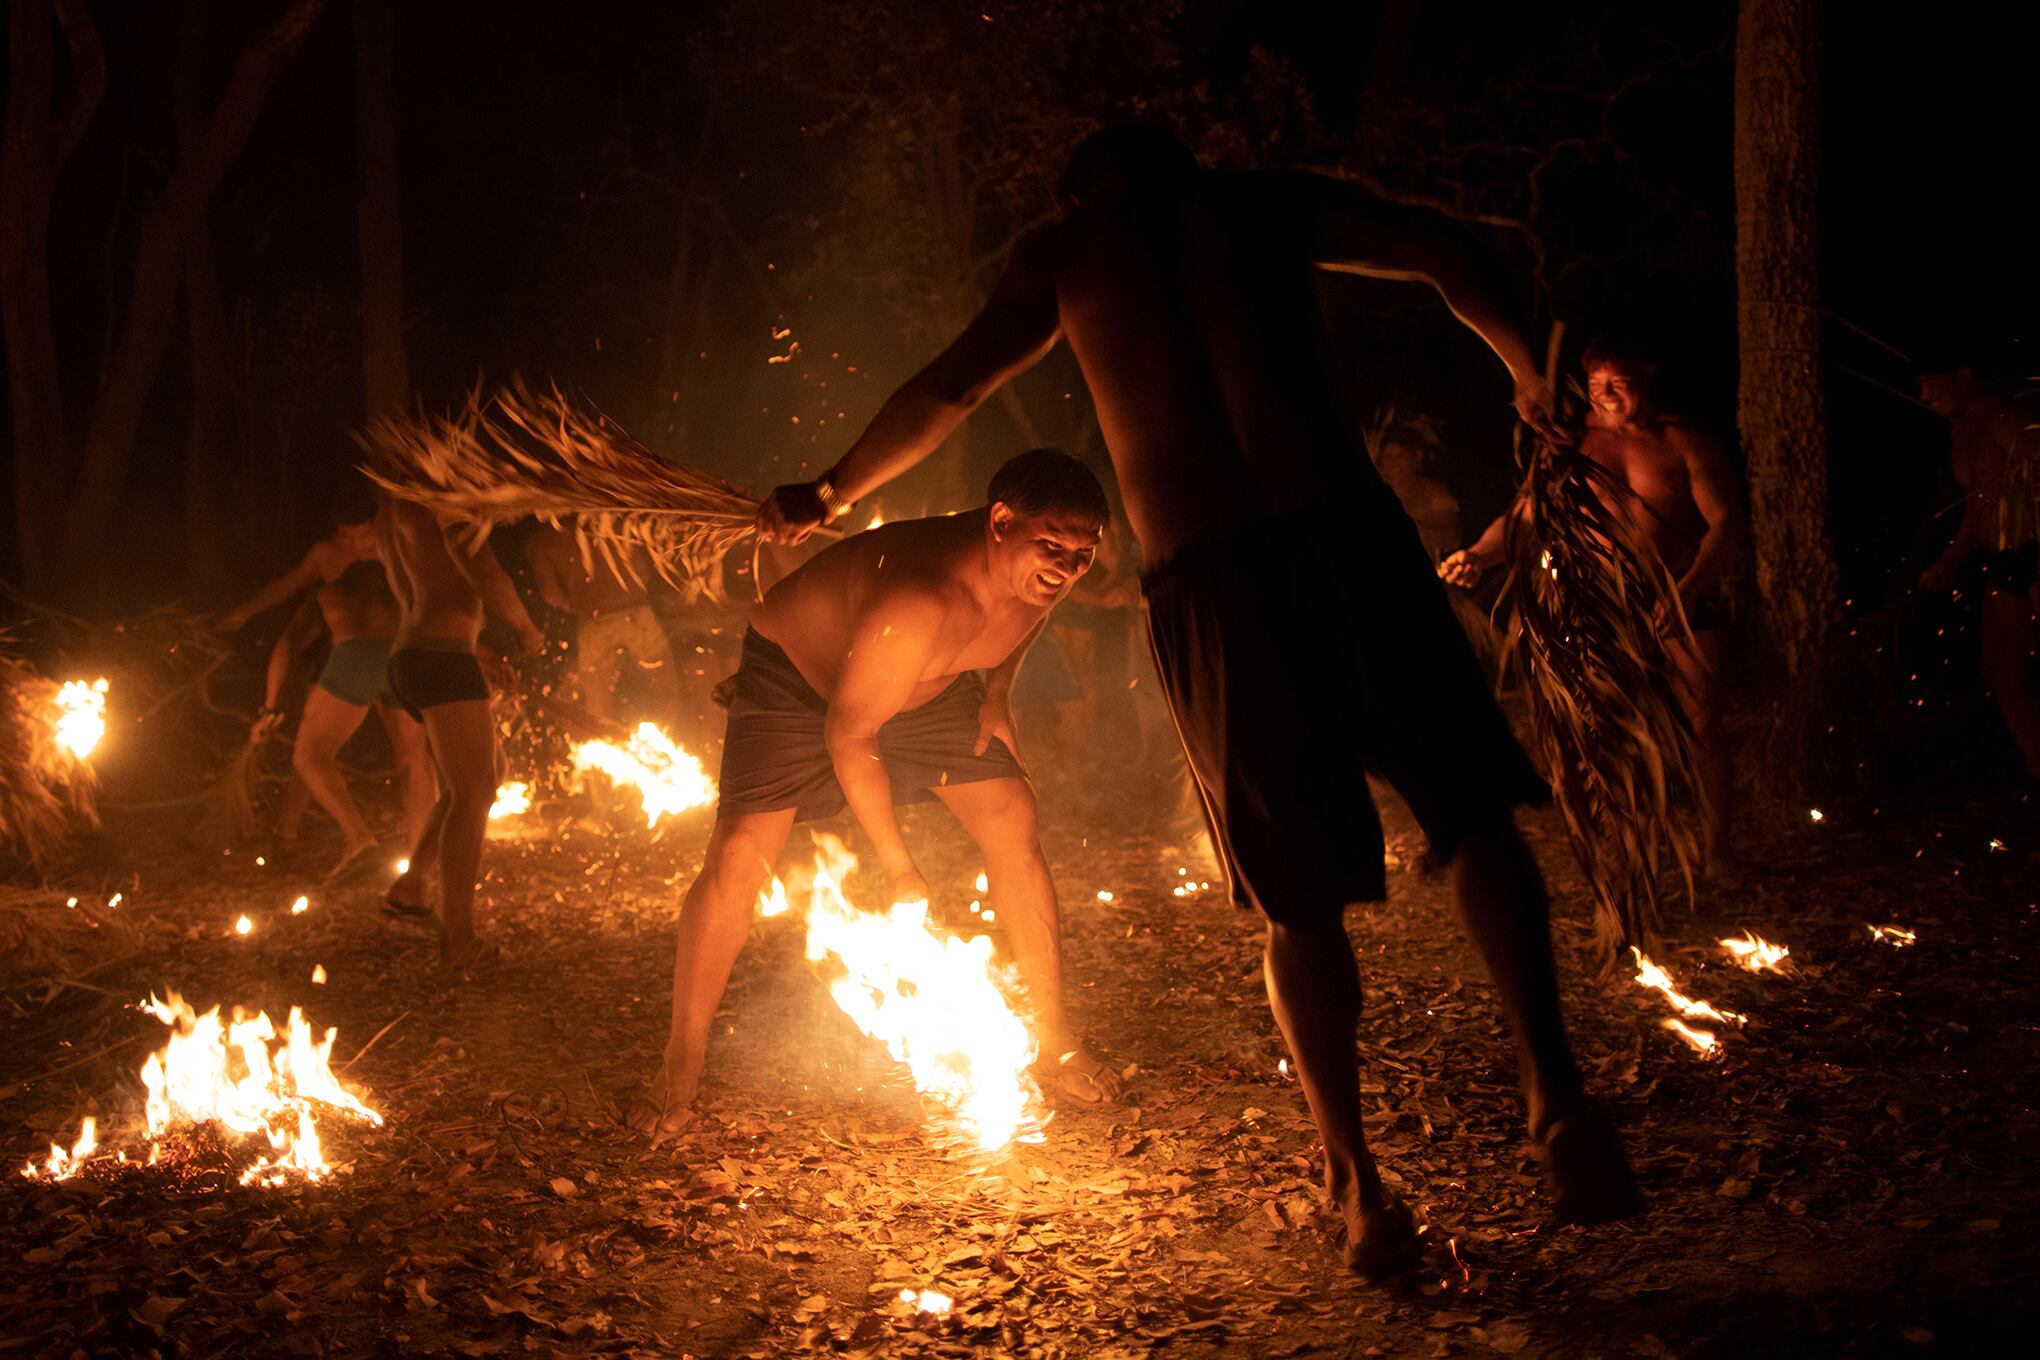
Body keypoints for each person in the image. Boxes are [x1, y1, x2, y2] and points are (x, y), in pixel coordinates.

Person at [756, 126, 1641, 1272]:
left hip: (1214, 576)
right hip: (1345, 537)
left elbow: (951, 385)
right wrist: (1530, 373)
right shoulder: (1265, 204)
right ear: (1183, 166)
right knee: (1473, 816)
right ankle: (1555, 1092)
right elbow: (1445, 251)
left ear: (1079, 188)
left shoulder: (1070, 253)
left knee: (1296, 905)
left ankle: (1357, 1185)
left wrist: (829, 489)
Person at [631, 450, 1123, 1141]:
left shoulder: (1043, 572)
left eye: (1082, 553)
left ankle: (1056, 1042)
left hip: (926, 685)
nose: (1068, 568)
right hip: (803, 685)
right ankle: (679, 1066)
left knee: (1013, 814)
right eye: (1053, 548)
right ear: (1001, 522)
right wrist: (898, 866)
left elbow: (1025, 623)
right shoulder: (919, 601)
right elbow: (850, 736)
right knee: (741, 856)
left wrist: (998, 697)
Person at [1440, 333, 1745, 862]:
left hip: (1678, 596)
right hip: (1597, 606)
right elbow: (1523, 518)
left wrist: (1686, 591)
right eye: (1595, 382)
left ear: (1646, 376)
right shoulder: (1569, 446)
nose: (1604, 393)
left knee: (1703, 721)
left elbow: (1725, 522)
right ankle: (1625, 846)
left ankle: (1717, 850)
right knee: (1605, 725)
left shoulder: (1683, 440)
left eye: (1617, 380)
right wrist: (1480, 555)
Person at [221, 495, 435, 880]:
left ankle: (360, 839)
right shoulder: (333, 558)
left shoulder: (335, 589)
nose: (355, 543)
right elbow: (288, 584)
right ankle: (423, 860)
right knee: (413, 759)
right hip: (403, 655)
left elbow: (286, 645)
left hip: (360, 656)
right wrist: (246, 611)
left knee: (311, 756)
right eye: (347, 534)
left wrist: (269, 710)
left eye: (364, 533)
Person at [376, 497, 545, 977]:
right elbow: (484, 571)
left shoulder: (394, 508)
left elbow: (433, 589)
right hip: (440, 658)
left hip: (417, 654)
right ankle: (458, 940)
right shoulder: (442, 500)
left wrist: (480, 656)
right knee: (473, 791)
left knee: (487, 777)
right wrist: (524, 625)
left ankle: (411, 887)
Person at [1915, 356, 2040, 781]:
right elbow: (1979, 501)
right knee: (2002, 672)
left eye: (1931, 384)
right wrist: (1952, 557)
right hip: (2004, 559)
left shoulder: (2007, 417)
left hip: (2036, 552)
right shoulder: (1960, 428)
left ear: (1964, 376)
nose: (1923, 397)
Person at [526, 523, 682, 729]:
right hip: (635, 612)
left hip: (593, 620)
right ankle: (660, 745)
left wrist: (576, 604)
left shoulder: (545, 540)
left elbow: (549, 594)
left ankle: (621, 750)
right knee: (667, 693)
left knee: (598, 710)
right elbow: (644, 571)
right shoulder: (612, 522)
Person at [1371, 416, 1462, 561]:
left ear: (1417, 457)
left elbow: (1451, 538)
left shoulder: (1436, 495)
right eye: (1388, 456)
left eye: (1401, 455)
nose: (1394, 462)